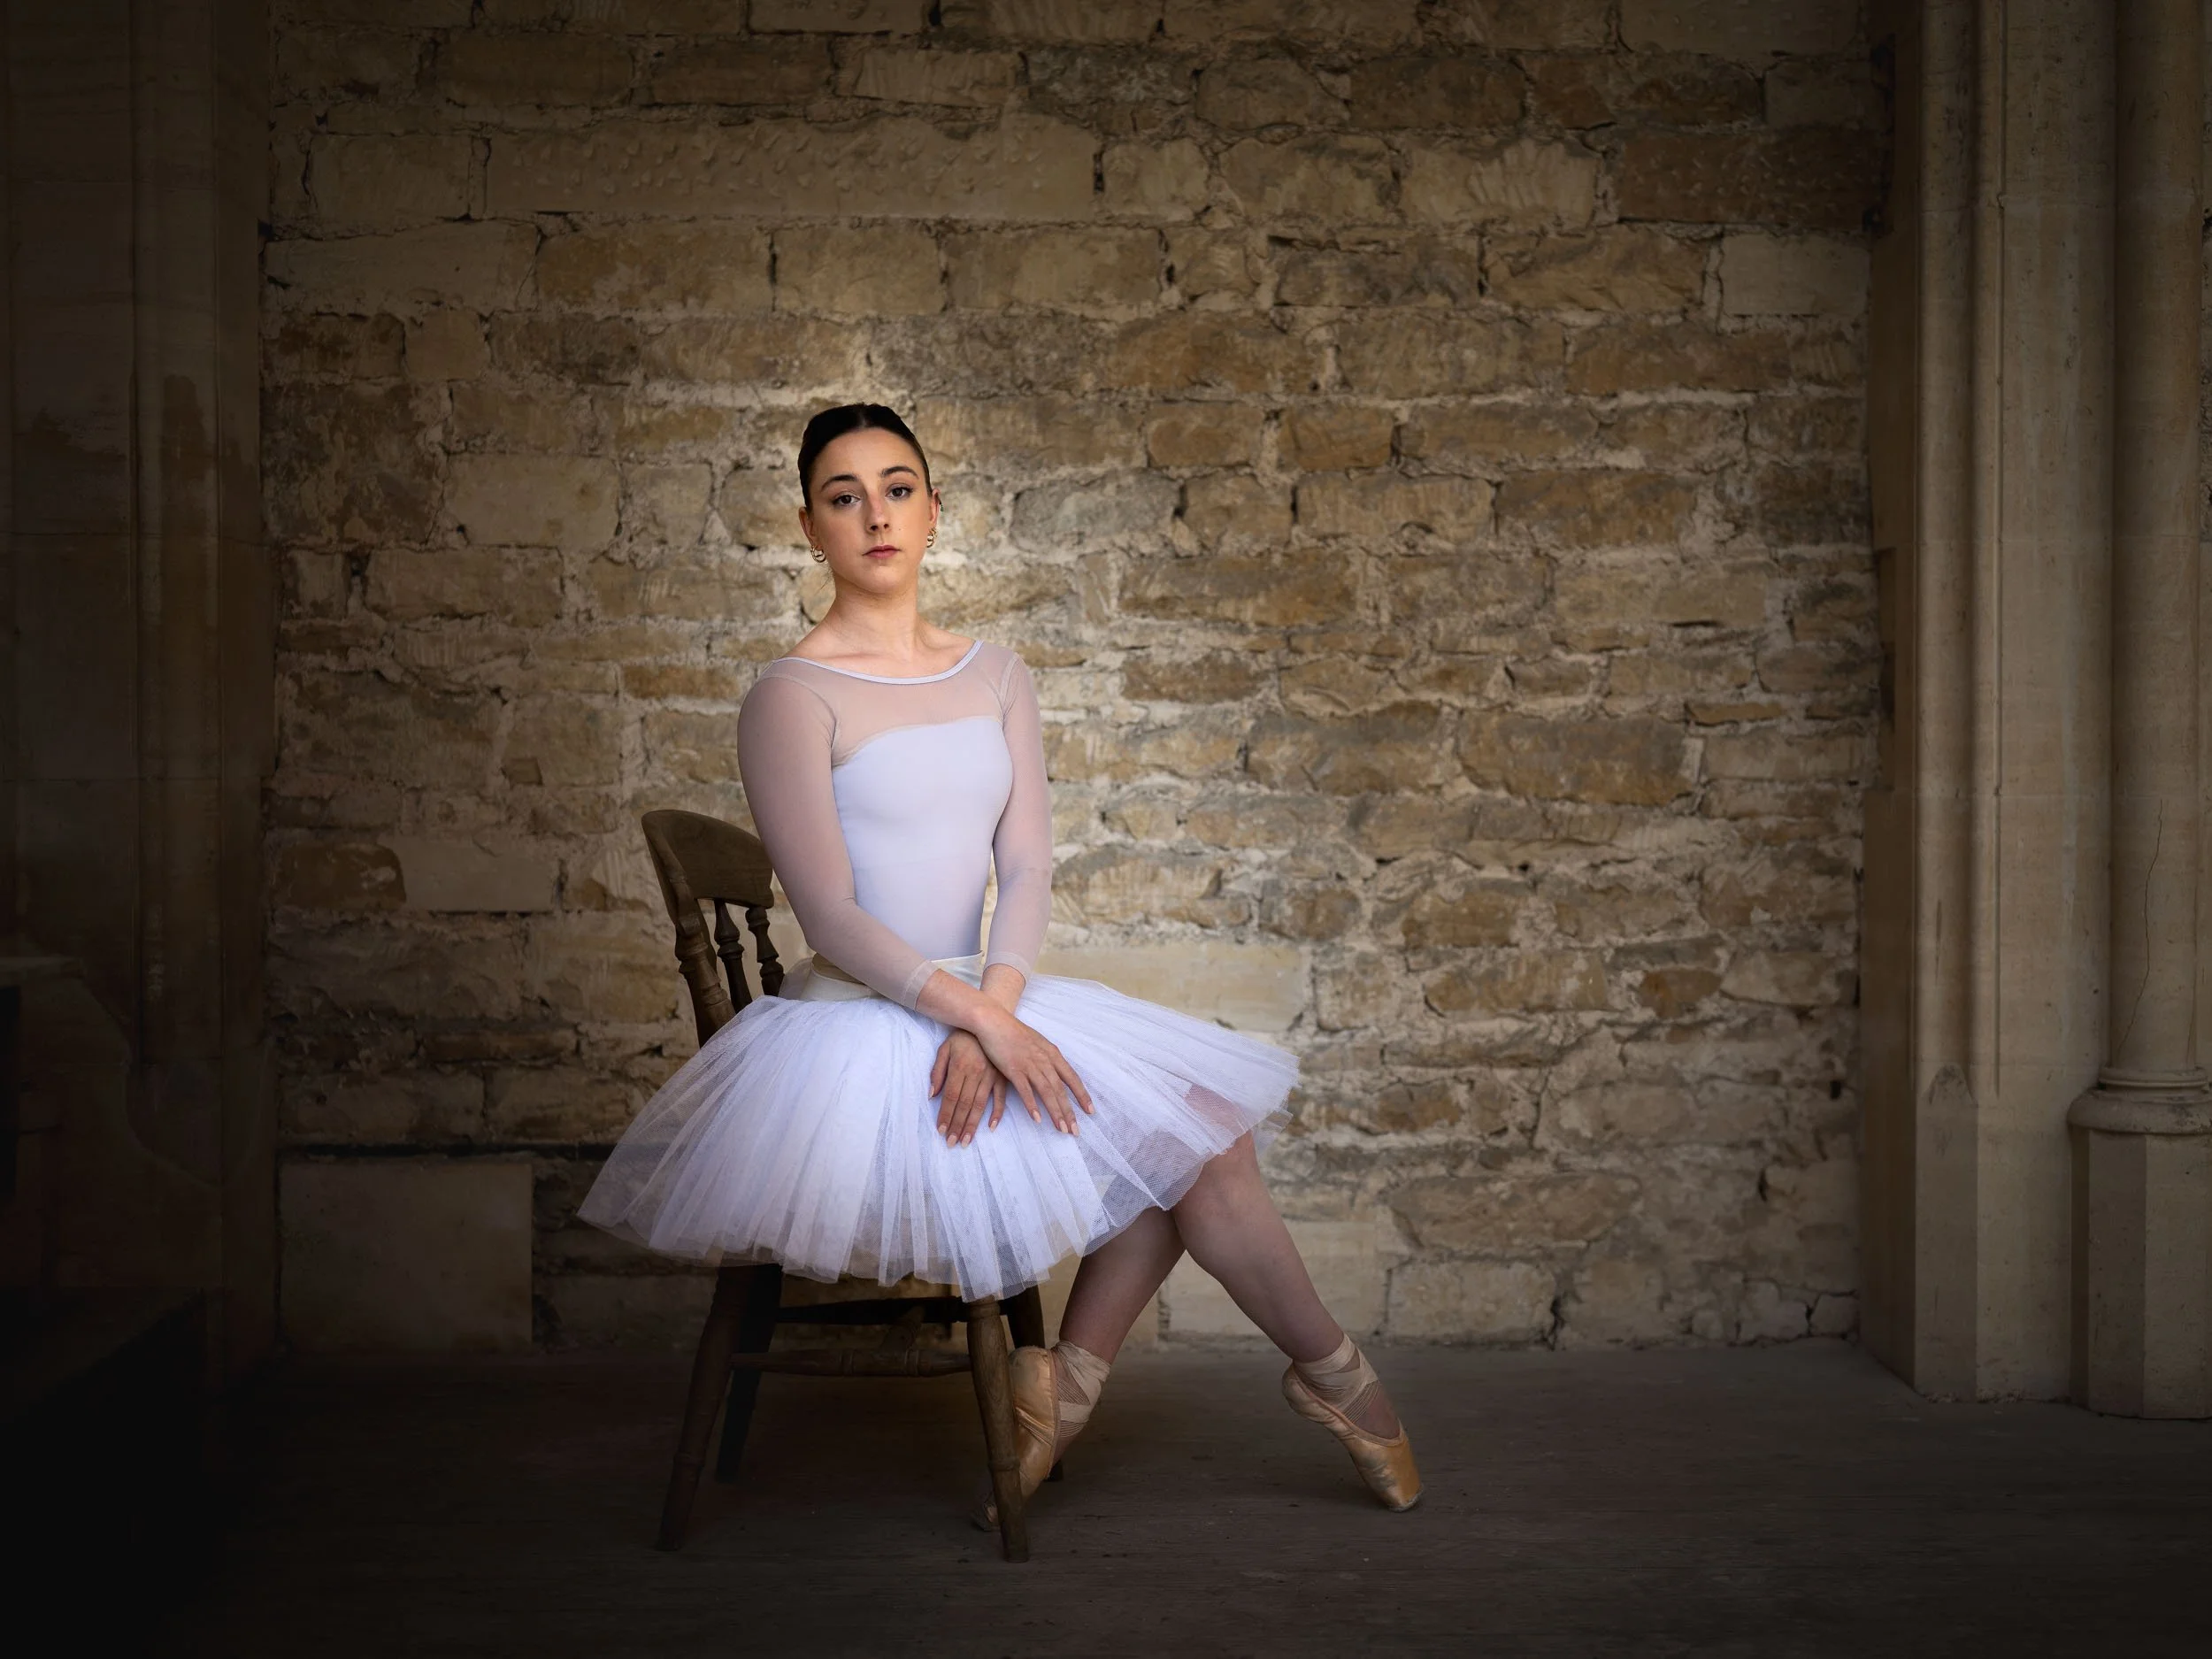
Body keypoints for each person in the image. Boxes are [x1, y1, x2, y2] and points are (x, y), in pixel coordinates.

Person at [580, 403, 1419, 1517]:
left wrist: (996, 1009)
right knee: (1183, 1151)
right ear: (810, 526)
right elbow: (828, 918)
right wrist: (971, 1020)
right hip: (857, 1029)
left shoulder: (997, 674)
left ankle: (1075, 1393)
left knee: (1203, 1126)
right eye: (844, 496)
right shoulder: (791, 693)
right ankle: (1332, 1385)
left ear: (934, 512)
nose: (874, 513)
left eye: (897, 488)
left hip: (979, 992)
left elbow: (1024, 871)